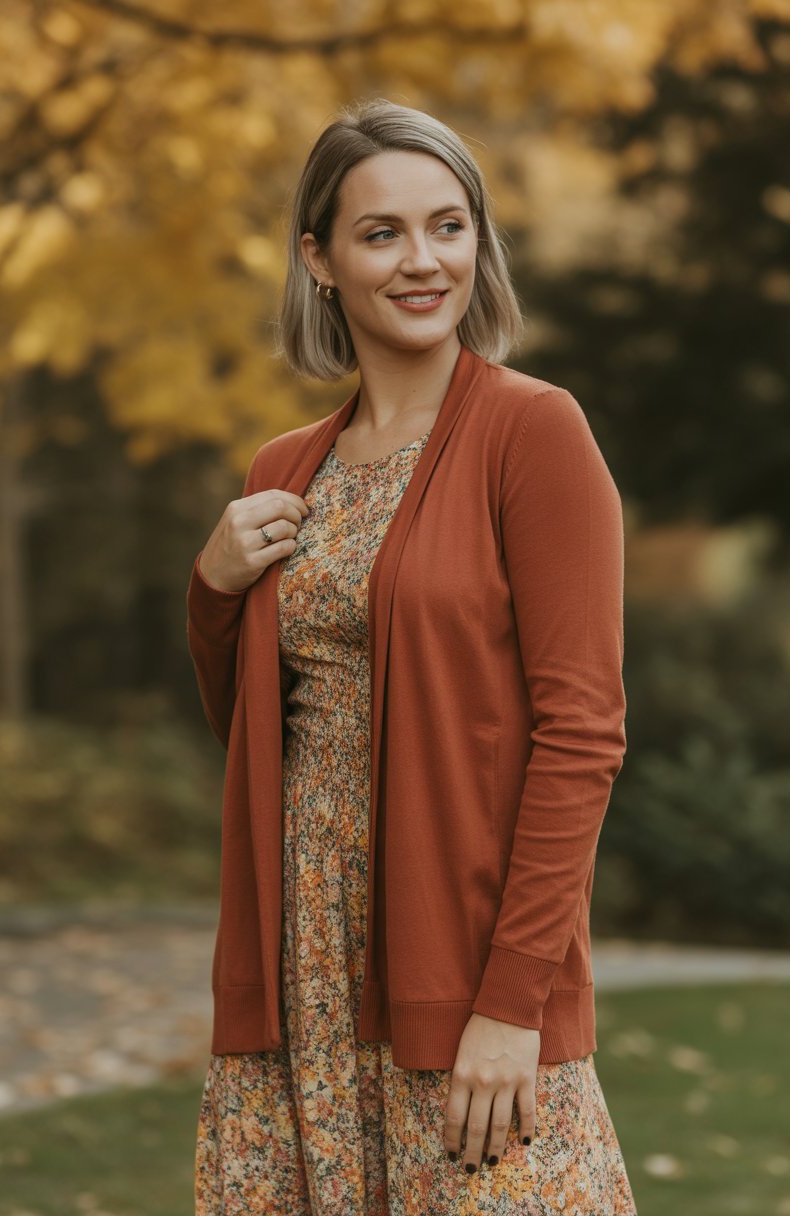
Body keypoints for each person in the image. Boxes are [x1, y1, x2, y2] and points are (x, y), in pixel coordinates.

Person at [188, 97, 637, 1214]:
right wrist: (213, 588)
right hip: (304, 949)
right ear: (320, 258)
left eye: (448, 225)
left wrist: (512, 1001)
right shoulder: (283, 469)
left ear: (479, 242)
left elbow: (582, 735)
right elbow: (248, 731)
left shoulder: (533, 433)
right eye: (381, 232)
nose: (422, 259)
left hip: (462, 946)